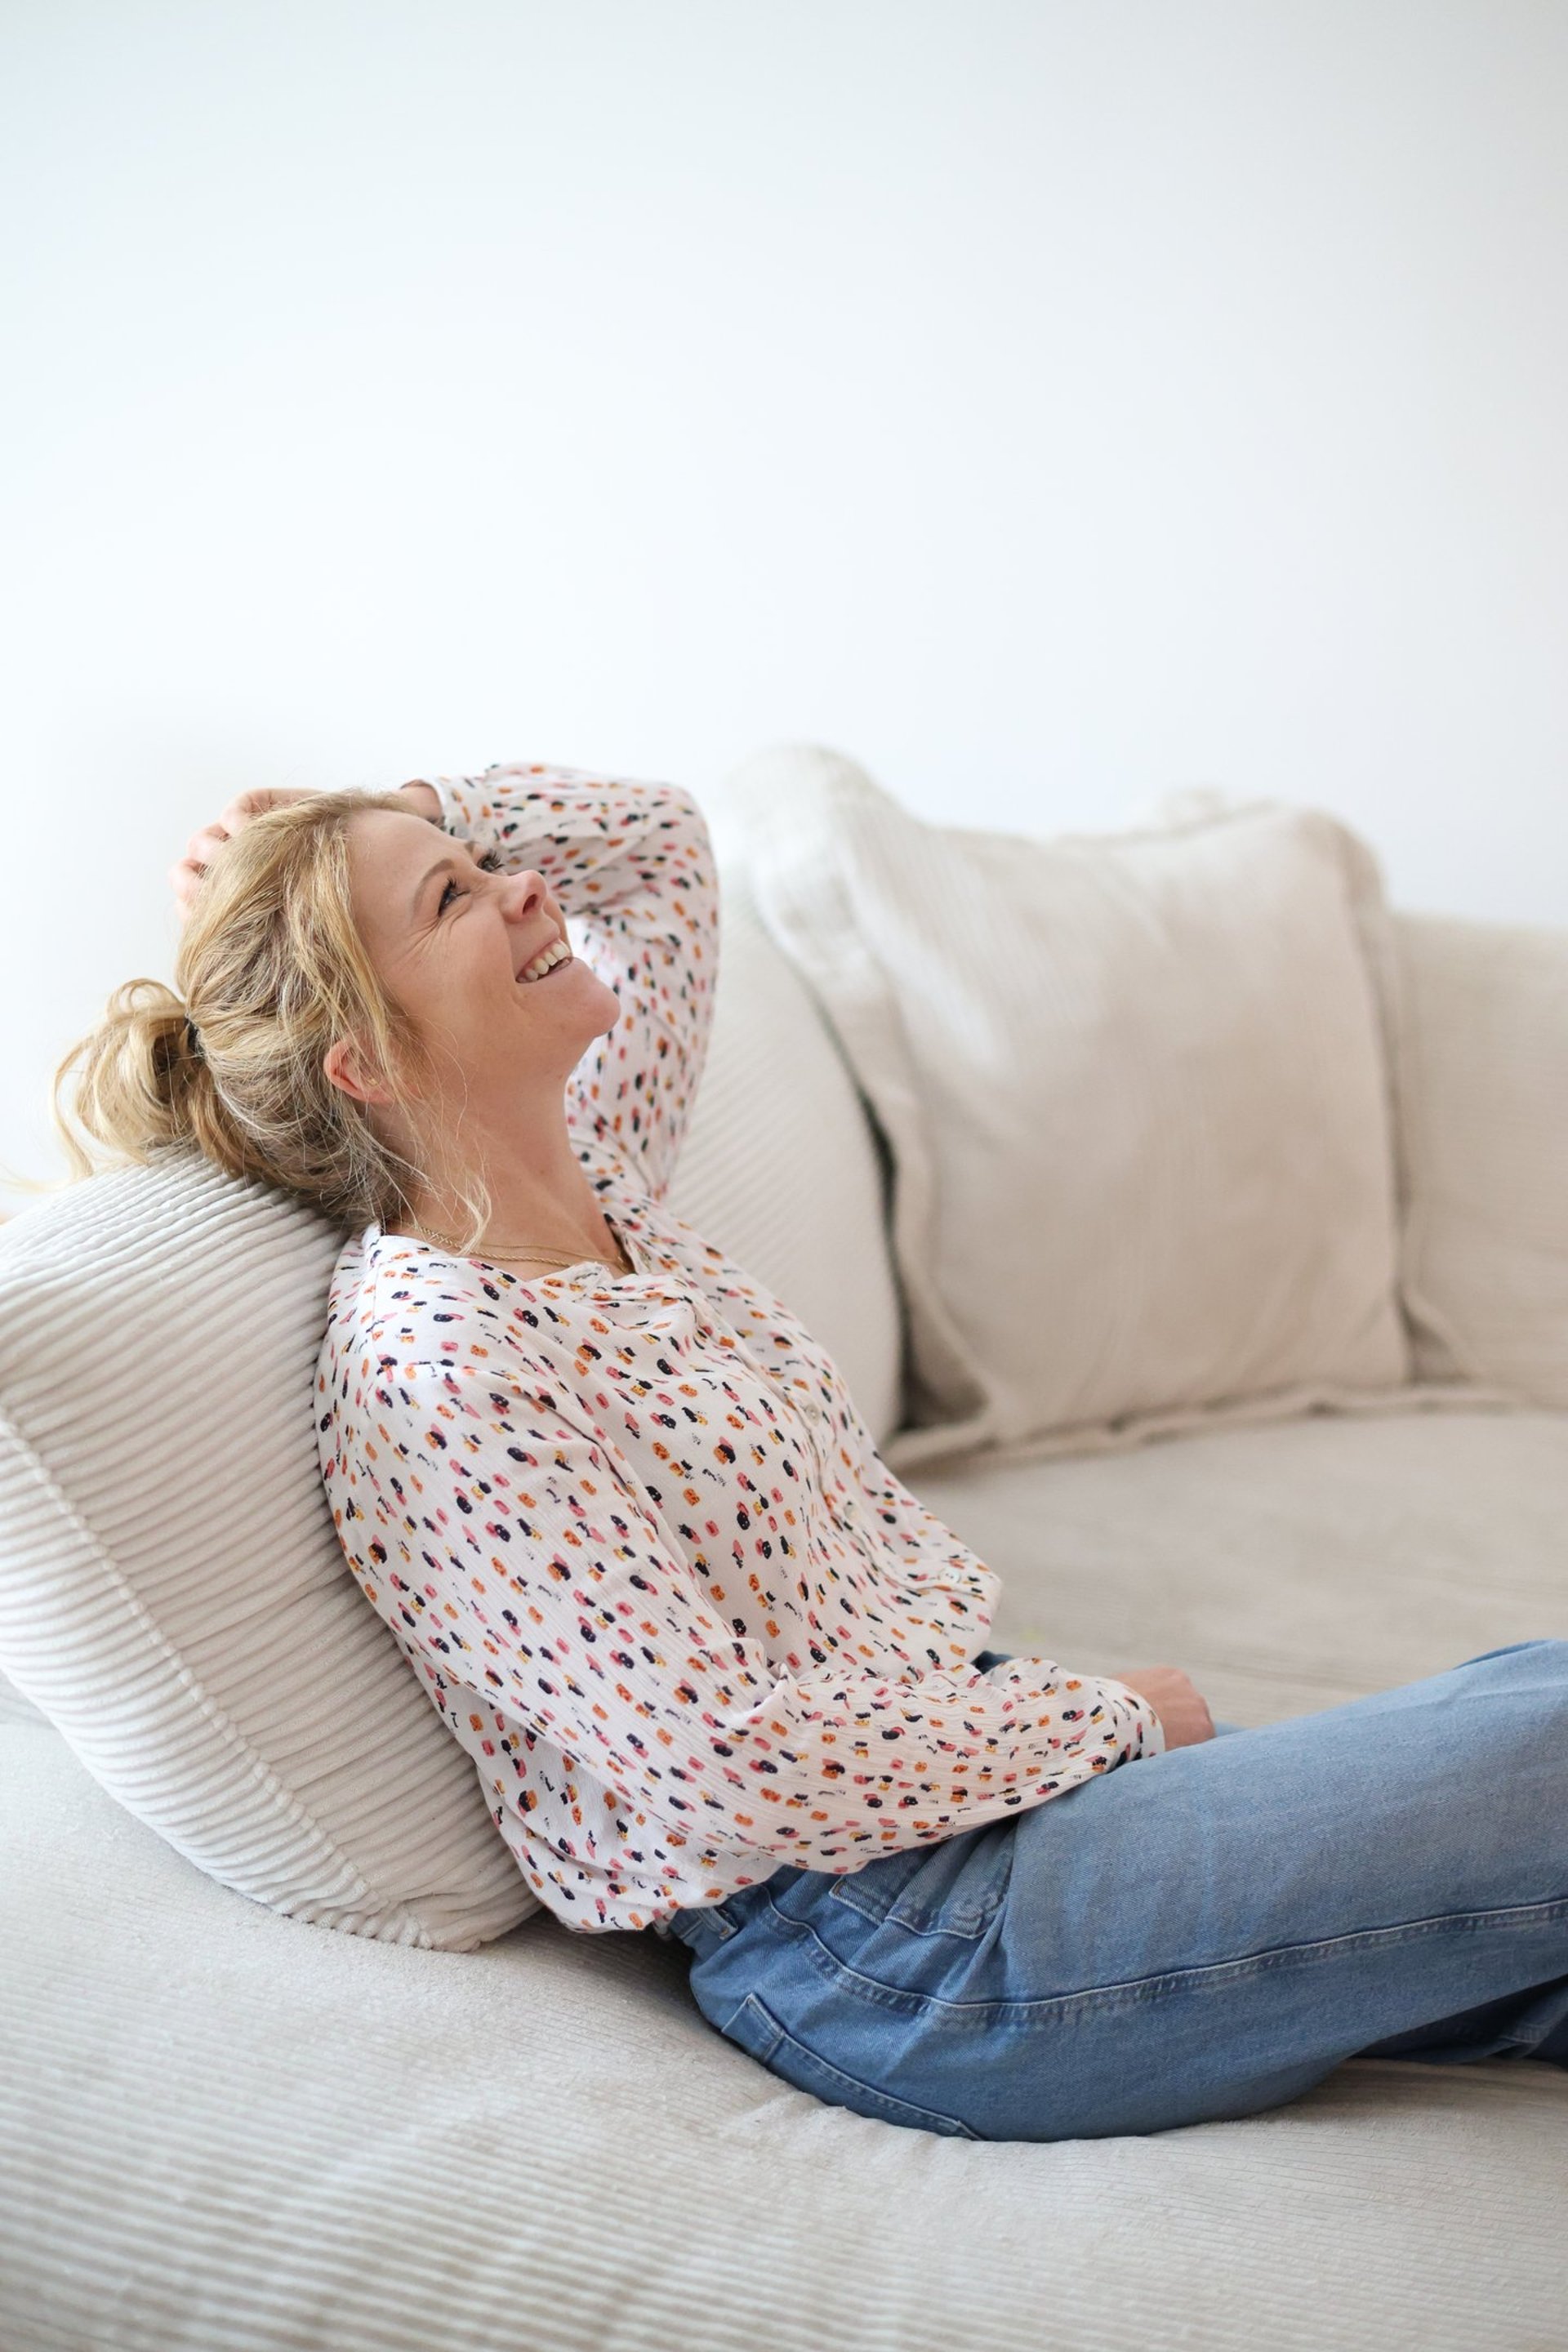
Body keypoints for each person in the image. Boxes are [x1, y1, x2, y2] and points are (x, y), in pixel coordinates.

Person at [55, 757, 1568, 2145]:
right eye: (453, 895)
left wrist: (380, 806)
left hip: (980, 1817)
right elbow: (725, 1773)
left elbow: (659, 850)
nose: (521, 885)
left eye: (479, 860)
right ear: (366, 1063)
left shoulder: (607, 1196)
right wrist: (1101, 1716)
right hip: (905, 1945)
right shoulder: (441, 1365)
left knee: (1531, 1713)